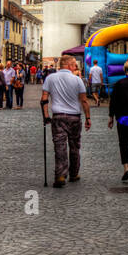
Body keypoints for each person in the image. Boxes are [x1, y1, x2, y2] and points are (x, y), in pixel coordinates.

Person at [40, 54, 91, 187]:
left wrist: (45, 115)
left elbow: (44, 99)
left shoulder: (50, 78)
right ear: (68, 65)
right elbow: (84, 100)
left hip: (58, 116)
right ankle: (74, 174)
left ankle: (60, 175)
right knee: (75, 146)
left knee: (59, 146)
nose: (76, 67)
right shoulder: (77, 80)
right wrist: (88, 118)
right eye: (74, 64)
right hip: (74, 117)